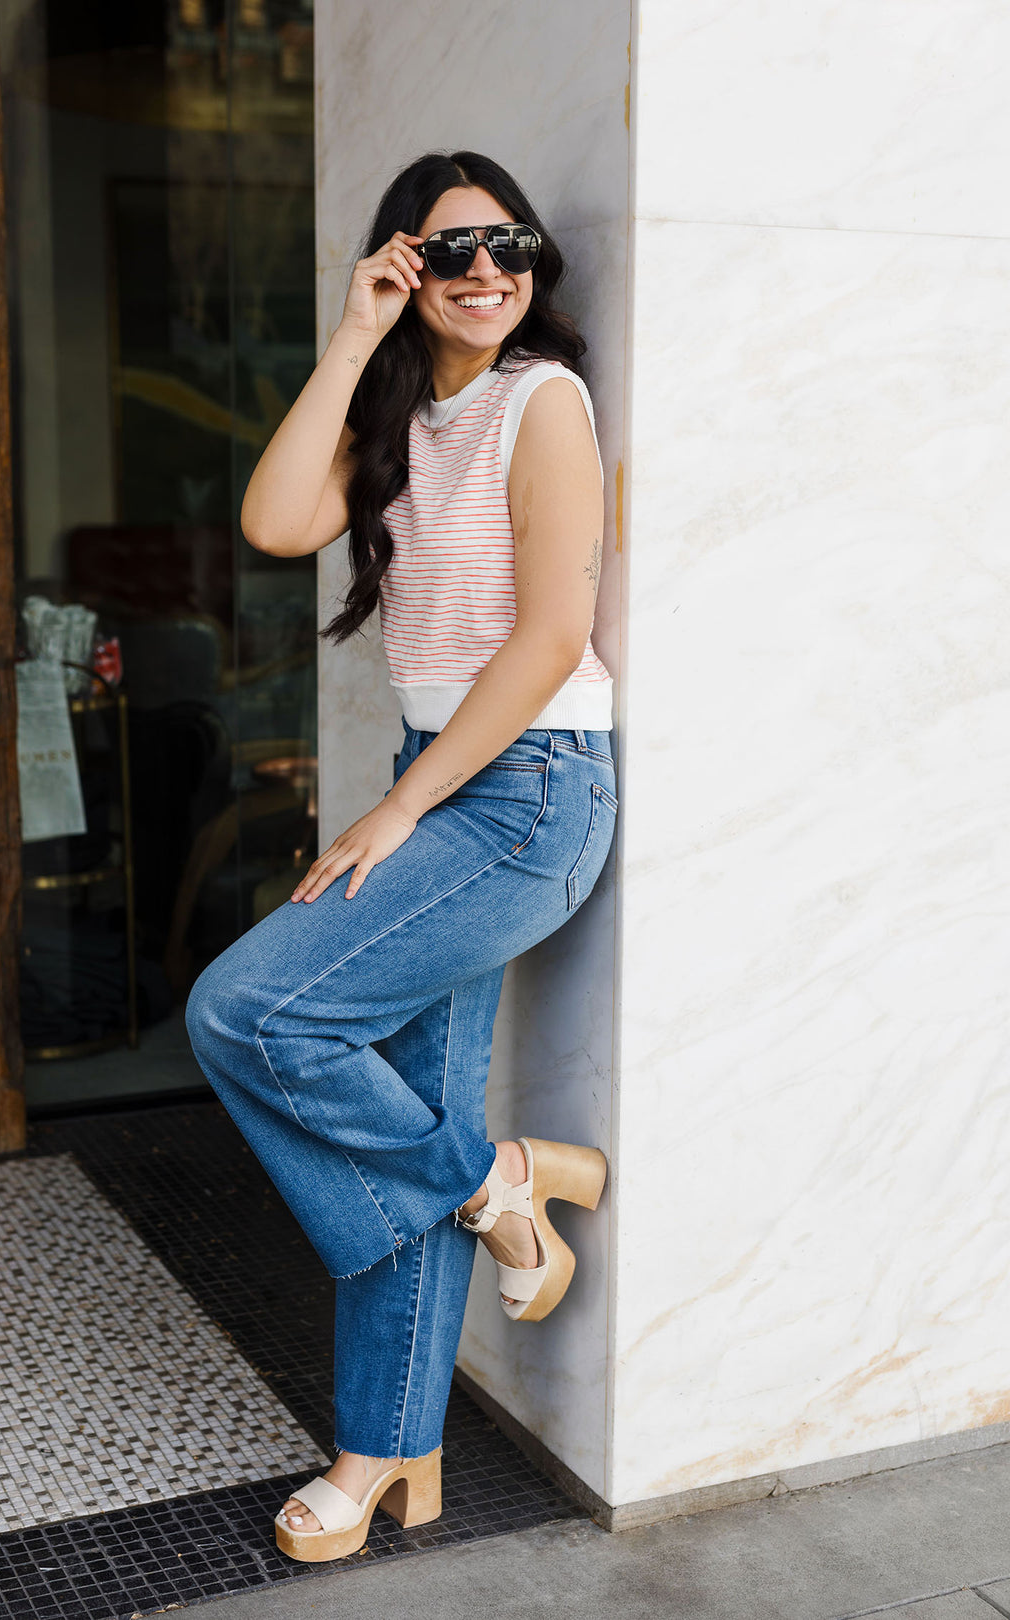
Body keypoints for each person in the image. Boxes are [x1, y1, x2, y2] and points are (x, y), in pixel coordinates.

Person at [185, 149, 618, 1564]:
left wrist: (394, 811)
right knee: (391, 1101)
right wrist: (356, 334)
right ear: (403, 265)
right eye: (452, 250)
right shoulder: (402, 420)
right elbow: (269, 522)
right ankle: (395, 1448)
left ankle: (493, 1180)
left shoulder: (541, 404)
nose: (491, 269)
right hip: (445, 790)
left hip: (526, 797)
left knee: (245, 1013)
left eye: (514, 242)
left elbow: (552, 639)